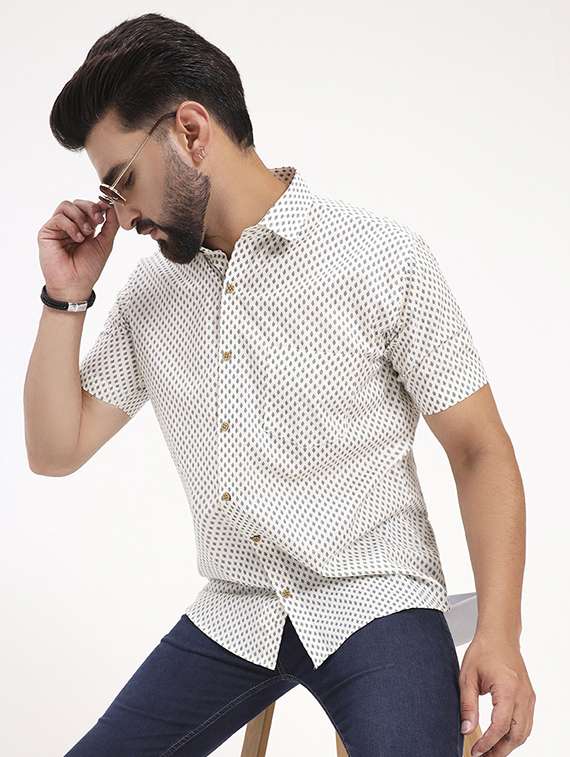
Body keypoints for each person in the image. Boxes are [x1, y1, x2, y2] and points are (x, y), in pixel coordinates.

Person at [25, 12, 535, 757]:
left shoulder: (381, 257)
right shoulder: (151, 296)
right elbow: (54, 450)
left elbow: (479, 449)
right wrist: (65, 296)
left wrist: (500, 633)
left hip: (376, 598)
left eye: (122, 181)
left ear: (191, 131)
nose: (121, 214)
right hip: (235, 610)